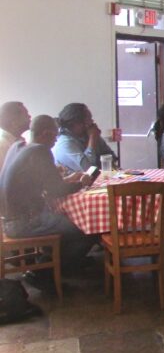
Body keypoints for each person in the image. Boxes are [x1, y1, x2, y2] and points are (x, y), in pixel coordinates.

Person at [0, 115, 95, 283]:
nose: (56, 140)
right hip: (27, 221)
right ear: (45, 134)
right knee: (85, 229)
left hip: (8, 221)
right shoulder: (40, 151)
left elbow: (46, 184)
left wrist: (68, 179)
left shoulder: (17, 146)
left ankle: (62, 263)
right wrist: (82, 182)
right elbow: (56, 191)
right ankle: (45, 273)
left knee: (68, 223)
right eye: (55, 136)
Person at [52, 103, 118, 173]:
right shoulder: (64, 143)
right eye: (89, 119)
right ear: (76, 123)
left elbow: (111, 157)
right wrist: (92, 138)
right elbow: (89, 170)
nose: (92, 122)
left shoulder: (87, 134)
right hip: (80, 179)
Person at [0, 101, 30, 171]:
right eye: (26, 114)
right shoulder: (2, 148)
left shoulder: (20, 142)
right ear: (14, 122)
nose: (29, 116)